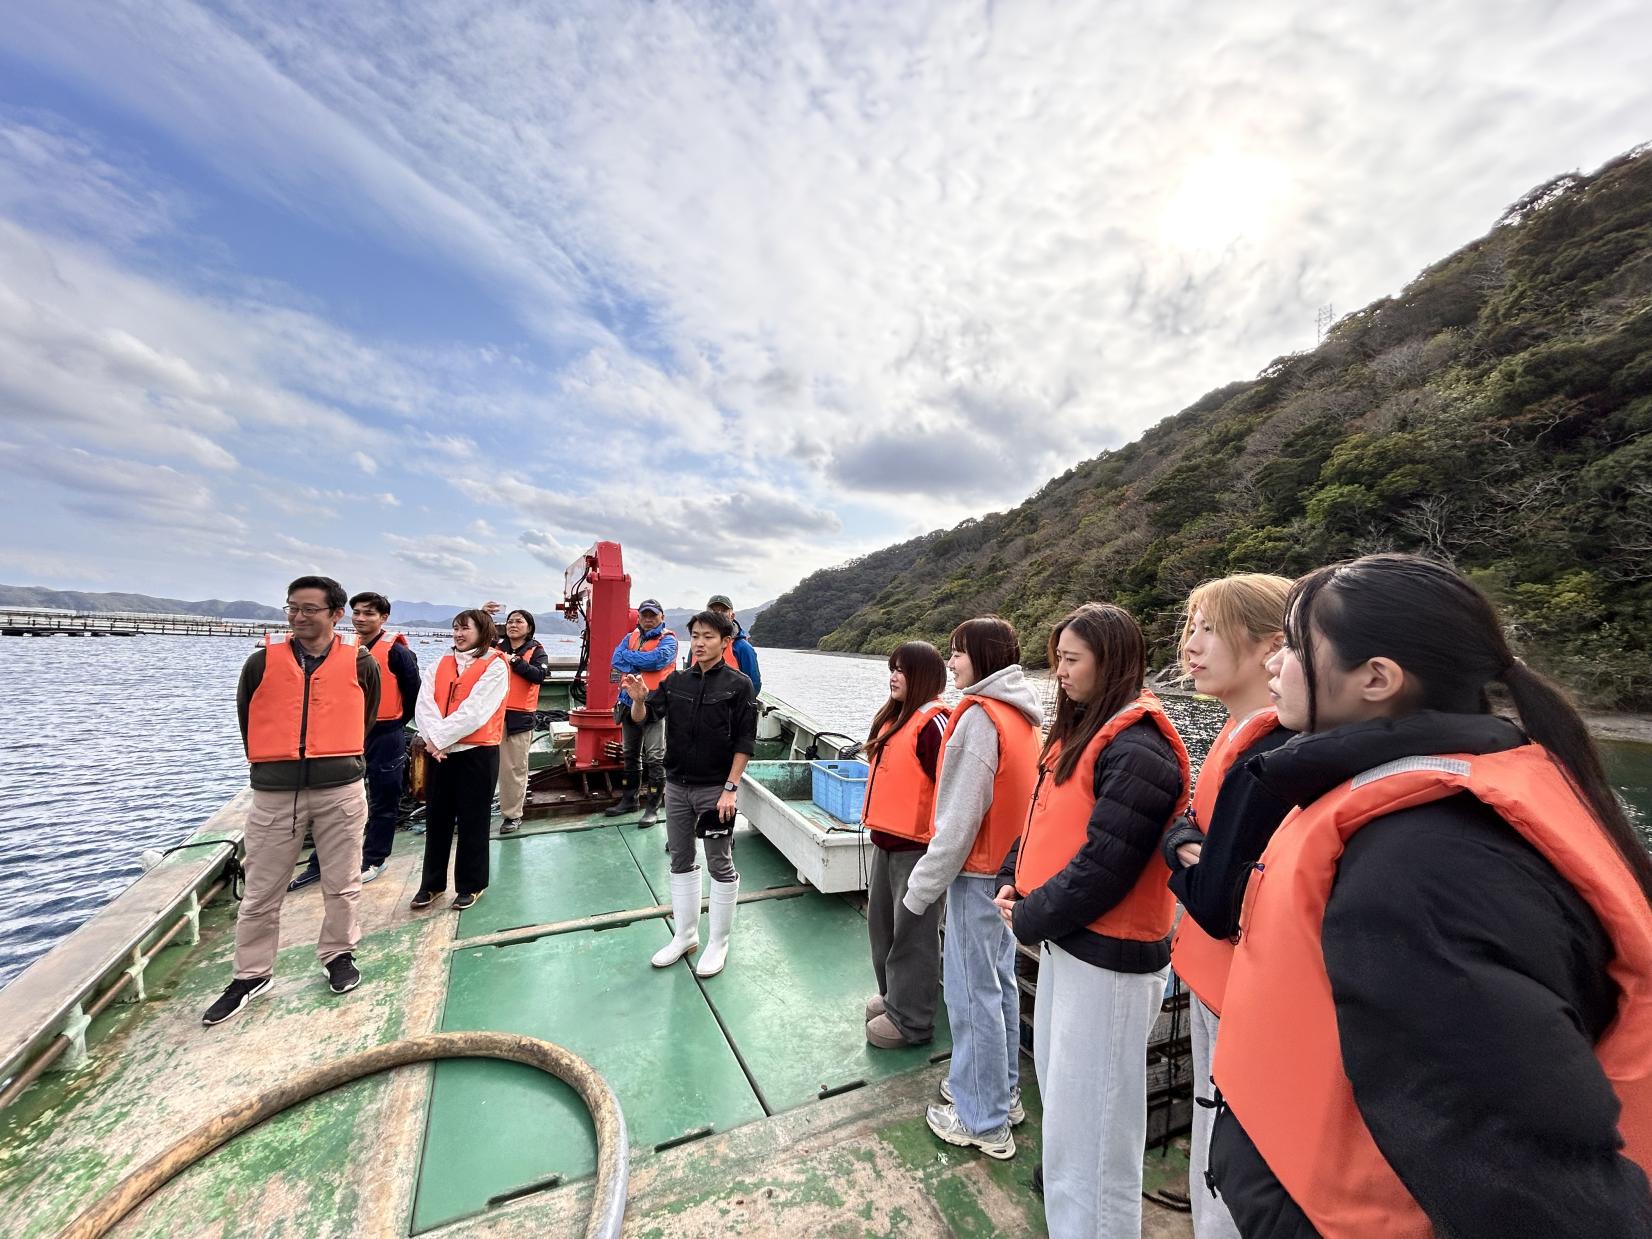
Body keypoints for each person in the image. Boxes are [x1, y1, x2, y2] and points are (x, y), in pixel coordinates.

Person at [1208, 553, 1652, 1237]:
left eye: (1295, 646)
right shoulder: (1442, 805)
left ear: (1377, 678)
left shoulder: (1421, 868)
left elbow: (1531, 1185)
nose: (1275, 662)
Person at [993, 603, 1190, 1237]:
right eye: (1057, 661)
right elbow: (1042, 820)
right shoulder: (1083, 733)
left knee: (1097, 1125)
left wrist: (1029, 916)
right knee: (1066, 1104)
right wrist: (1010, 880)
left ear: (1111, 662)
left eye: (1072, 661)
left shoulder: (1139, 749)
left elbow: (1107, 865)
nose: (1060, 675)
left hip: (1107, 962)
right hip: (1068, 946)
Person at [1158, 574, 1293, 1239]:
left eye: (1209, 627)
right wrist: (1189, 843)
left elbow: (1216, 892)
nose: (1190, 645)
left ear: (1272, 646)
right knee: (1211, 1127)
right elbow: (1187, 831)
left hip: (1244, 996)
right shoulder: (1239, 735)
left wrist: (1186, 846)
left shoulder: (1274, 753)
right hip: (1213, 984)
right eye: (1190, 627)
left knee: (1232, 1157)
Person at [202, 575, 379, 1026]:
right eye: (292, 608)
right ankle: (252, 974)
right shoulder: (261, 663)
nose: (299, 617)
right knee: (261, 889)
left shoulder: (360, 663)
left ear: (335, 614)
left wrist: (334, 758)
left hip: (339, 787)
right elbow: (248, 717)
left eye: (310, 610)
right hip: (275, 791)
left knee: (342, 881)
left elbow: (367, 719)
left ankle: (338, 953)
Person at [903, 616, 1042, 1160]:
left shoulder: (980, 719)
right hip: (1008, 876)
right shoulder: (1021, 714)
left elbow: (959, 821)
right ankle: (1000, 1093)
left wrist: (921, 890)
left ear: (981, 658)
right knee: (999, 983)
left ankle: (981, 1119)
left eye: (958, 653)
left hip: (978, 876)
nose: (951, 662)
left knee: (969, 994)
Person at [624, 609, 757, 977]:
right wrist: (638, 698)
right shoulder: (676, 681)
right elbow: (645, 717)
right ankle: (685, 935)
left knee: (719, 862)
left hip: (717, 789)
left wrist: (730, 789)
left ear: (725, 642)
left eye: (708, 636)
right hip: (678, 786)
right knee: (680, 860)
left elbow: (745, 742)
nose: (699, 643)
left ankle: (719, 941)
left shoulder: (738, 685)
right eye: (695, 636)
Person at [288, 591, 419, 891]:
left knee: (384, 799)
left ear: (383, 618)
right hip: (347, 734)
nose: (361, 619)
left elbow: (414, 693)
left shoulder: (397, 653)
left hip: (386, 734)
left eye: (369, 613)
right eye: (357, 612)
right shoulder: (341, 649)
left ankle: (374, 858)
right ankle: (320, 863)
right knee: (333, 800)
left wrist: (398, 722)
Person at [861, 641, 951, 1050]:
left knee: (913, 936)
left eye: (903, 670)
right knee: (881, 928)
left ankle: (912, 1022)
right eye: (892, 668)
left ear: (925, 678)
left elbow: (951, 792)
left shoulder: (932, 723)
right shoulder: (895, 718)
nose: (894, 676)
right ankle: (894, 999)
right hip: (886, 842)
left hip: (917, 850)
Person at [410, 609, 509, 912]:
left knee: (474, 820)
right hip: (440, 753)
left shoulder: (496, 666)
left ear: (484, 632)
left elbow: (476, 711)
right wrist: (434, 740)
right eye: (455, 628)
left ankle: (471, 884)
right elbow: (424, 704)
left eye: (465, 629)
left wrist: (438, 740)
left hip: (476, 754)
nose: (458, 634)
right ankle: (431, 884)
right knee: (436, 817)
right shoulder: (439, 664)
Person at [608, 598, 677, 827]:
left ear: (662, 617)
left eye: (653, 615)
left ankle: (653, 807)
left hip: (654, 704)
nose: (648, 619)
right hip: (627, 701)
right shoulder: (630, 637)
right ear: (638, 617)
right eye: (644, 615)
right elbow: (615, 659)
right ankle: (629, 800)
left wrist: (632, 659)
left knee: (655, 757)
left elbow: (657, 662)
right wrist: (639, 662)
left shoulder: (668, 640)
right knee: (630, 754)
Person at [495, 608, 548, 835]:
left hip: (518, 717)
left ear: (529, 627)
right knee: (482, 765)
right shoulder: (496, 647)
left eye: (518, 621)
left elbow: (539, 675)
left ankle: (512, 815)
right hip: (492, 714)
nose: (512, 625)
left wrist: (515, 661)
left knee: (513, 768)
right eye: (509, 621)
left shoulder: (537, 651)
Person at [707, 594, 761, 695]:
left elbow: (754, 685)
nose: (718, 614)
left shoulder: (743, 648)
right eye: (713, 610)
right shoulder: (698, 645)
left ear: (732, 616)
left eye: (723, 610)